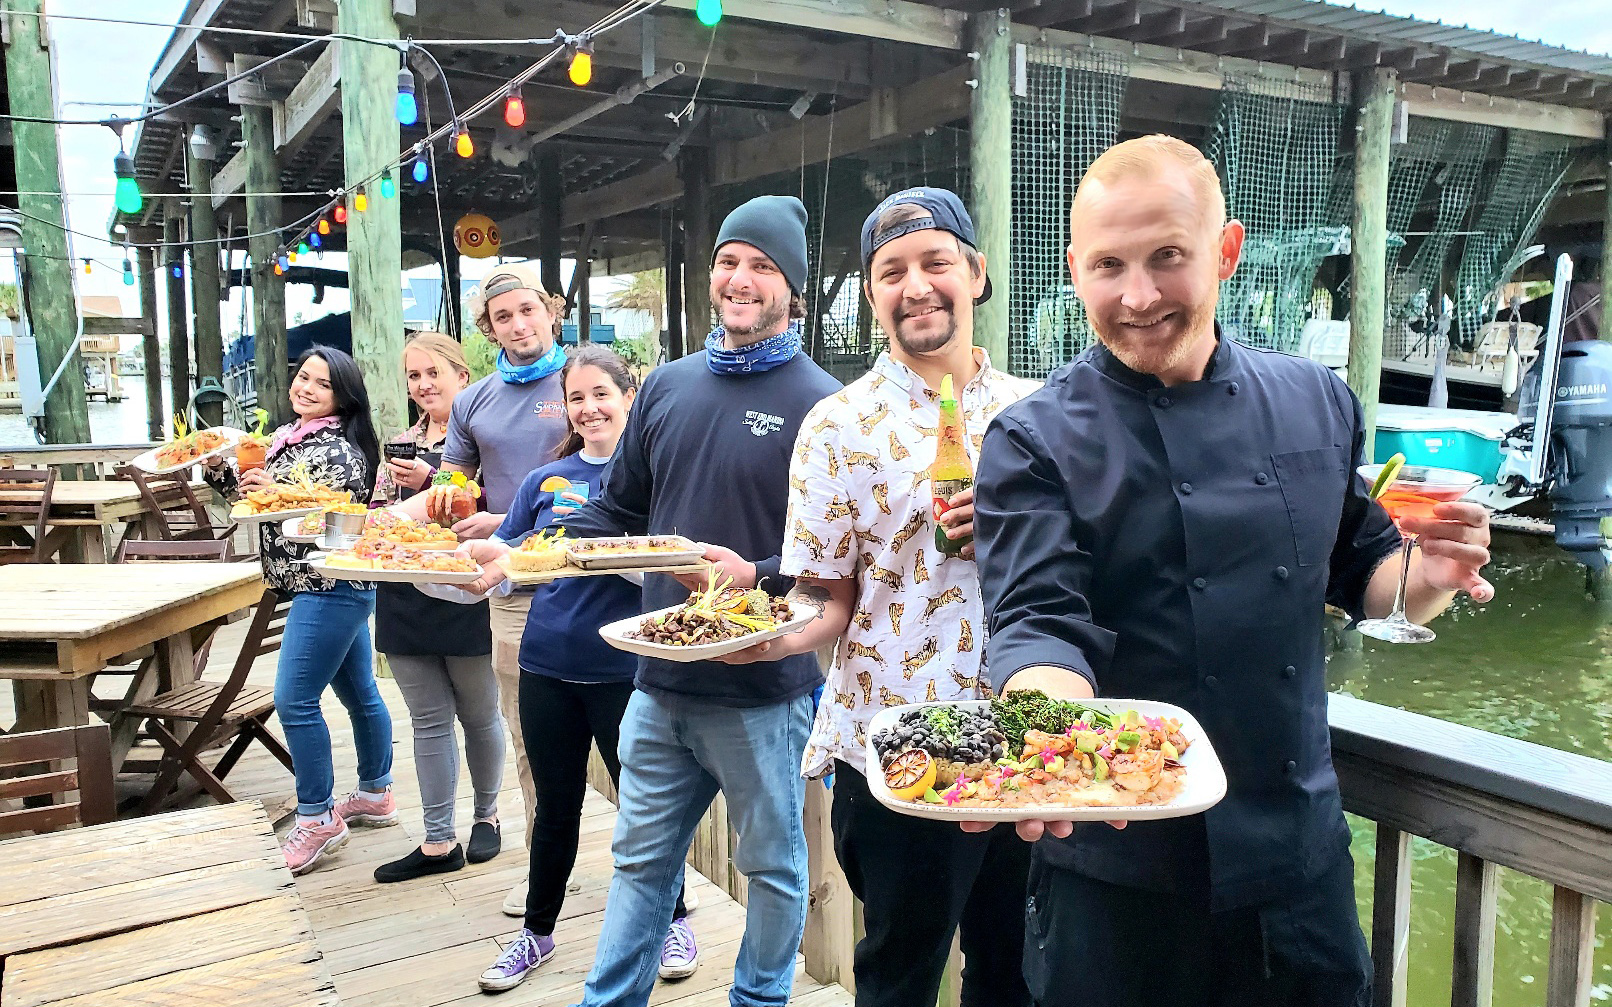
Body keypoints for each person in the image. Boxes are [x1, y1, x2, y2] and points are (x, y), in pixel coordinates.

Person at [969, 135, 1494, 1005]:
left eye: (1167, 256)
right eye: (1108, 266)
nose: (1138, 296)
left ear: (1226, 249)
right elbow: (1038, 620)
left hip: (1298, 871)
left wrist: (1429, 571)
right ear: (1074, 270)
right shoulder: (1032, 438)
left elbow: (1366, 579)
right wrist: (1050, 744)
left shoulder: (1316, 399)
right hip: (1117, 874)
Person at [722, 187, 1036, 1006]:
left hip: (1030, 735)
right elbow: (827, 599)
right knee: (898, 969)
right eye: (891, 271)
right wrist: (759, 632)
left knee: (1019, 970)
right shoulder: (836, 423)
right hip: (898, 743)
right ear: (872, 294)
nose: (916, 284)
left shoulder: (1042, 413)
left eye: (935, 262)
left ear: (974, 272)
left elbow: (1084, 574)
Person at [548, 195, 841, 1007]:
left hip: (763, 690)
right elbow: (619, 509)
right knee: (640, 862)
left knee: (775, 871)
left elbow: (837, 558)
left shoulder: (824, 402)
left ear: (793, 288)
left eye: (762, 265)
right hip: (658, 681)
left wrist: (754, 571)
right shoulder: (668, 386)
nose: (740, 278)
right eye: (728, 260)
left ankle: (759, 999)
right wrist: (531, 543)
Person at [467, 346, 692, 991]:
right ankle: (536, 934)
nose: (589, 409)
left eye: (602, 395)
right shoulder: (547, 481)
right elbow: (511, 556)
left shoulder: (656, 483)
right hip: (548, 662)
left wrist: (625, 560)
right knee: (555, 805)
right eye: (577, 398)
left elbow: (673, 565)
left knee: (643, 807)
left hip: (625, 668)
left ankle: (673, 922)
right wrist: (484, 566)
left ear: (631, 399)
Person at [400, 262, 572, 914]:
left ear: (549, 312)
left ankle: (660, 888)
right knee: (528, 735)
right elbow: (455, 489)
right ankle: (542, 873)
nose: (519, 324)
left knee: (625, 741)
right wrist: (403, 520)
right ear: (488, 328)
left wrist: (509, 523)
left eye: (528, 310)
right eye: (504, 316)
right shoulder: (473, 403)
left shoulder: (585, 381)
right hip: (514, 589)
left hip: (594, 579)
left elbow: (616, 483)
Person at [205, 346, 393, 875]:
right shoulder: (290, 438)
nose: (306, 388)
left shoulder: (339, 451)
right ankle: (377, 793)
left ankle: (316, 817)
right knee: (359, 693)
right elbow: (253, 498)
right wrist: (221, 470)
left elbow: (339, 518)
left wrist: (279, 491)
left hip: (328, 584)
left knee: (295, 701)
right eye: (303, 377)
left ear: (342, 396)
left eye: (322, 384)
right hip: (328, 585)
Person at [369, 333, 504, 883]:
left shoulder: (484, 442)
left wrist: (433, 484)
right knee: (426, 721)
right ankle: (437, 838)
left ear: (462, 377)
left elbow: (508, 510)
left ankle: (488, 816)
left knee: (479, 714)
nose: (424, 385)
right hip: (403, 593)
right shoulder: (399, 444)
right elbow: (382, 518)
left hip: (468, 588)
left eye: (433, 374)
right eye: (414, 376)